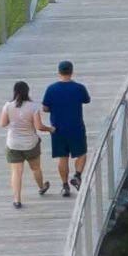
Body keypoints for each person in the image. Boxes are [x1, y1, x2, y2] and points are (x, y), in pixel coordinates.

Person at [42, 60, 92, 196]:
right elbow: (87, 100)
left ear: (59, 72)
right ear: (71, 71)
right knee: (81, 153)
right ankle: (77, 176)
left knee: (62, 157)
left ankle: (65, 186)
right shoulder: (79, 88)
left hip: (57, 128)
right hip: (76, 127)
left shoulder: (51, 89)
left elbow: (45, 108)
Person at [0, 80, 51, 207]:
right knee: (35, 168)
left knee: (16, 172)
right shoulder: (33, 106)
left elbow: (3, 124)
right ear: (27, 91)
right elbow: (39, 126)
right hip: (30, 143)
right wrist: (50, 129)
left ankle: (17, 200)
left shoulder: (8, 106)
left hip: (13, 144)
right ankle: (41, 187)